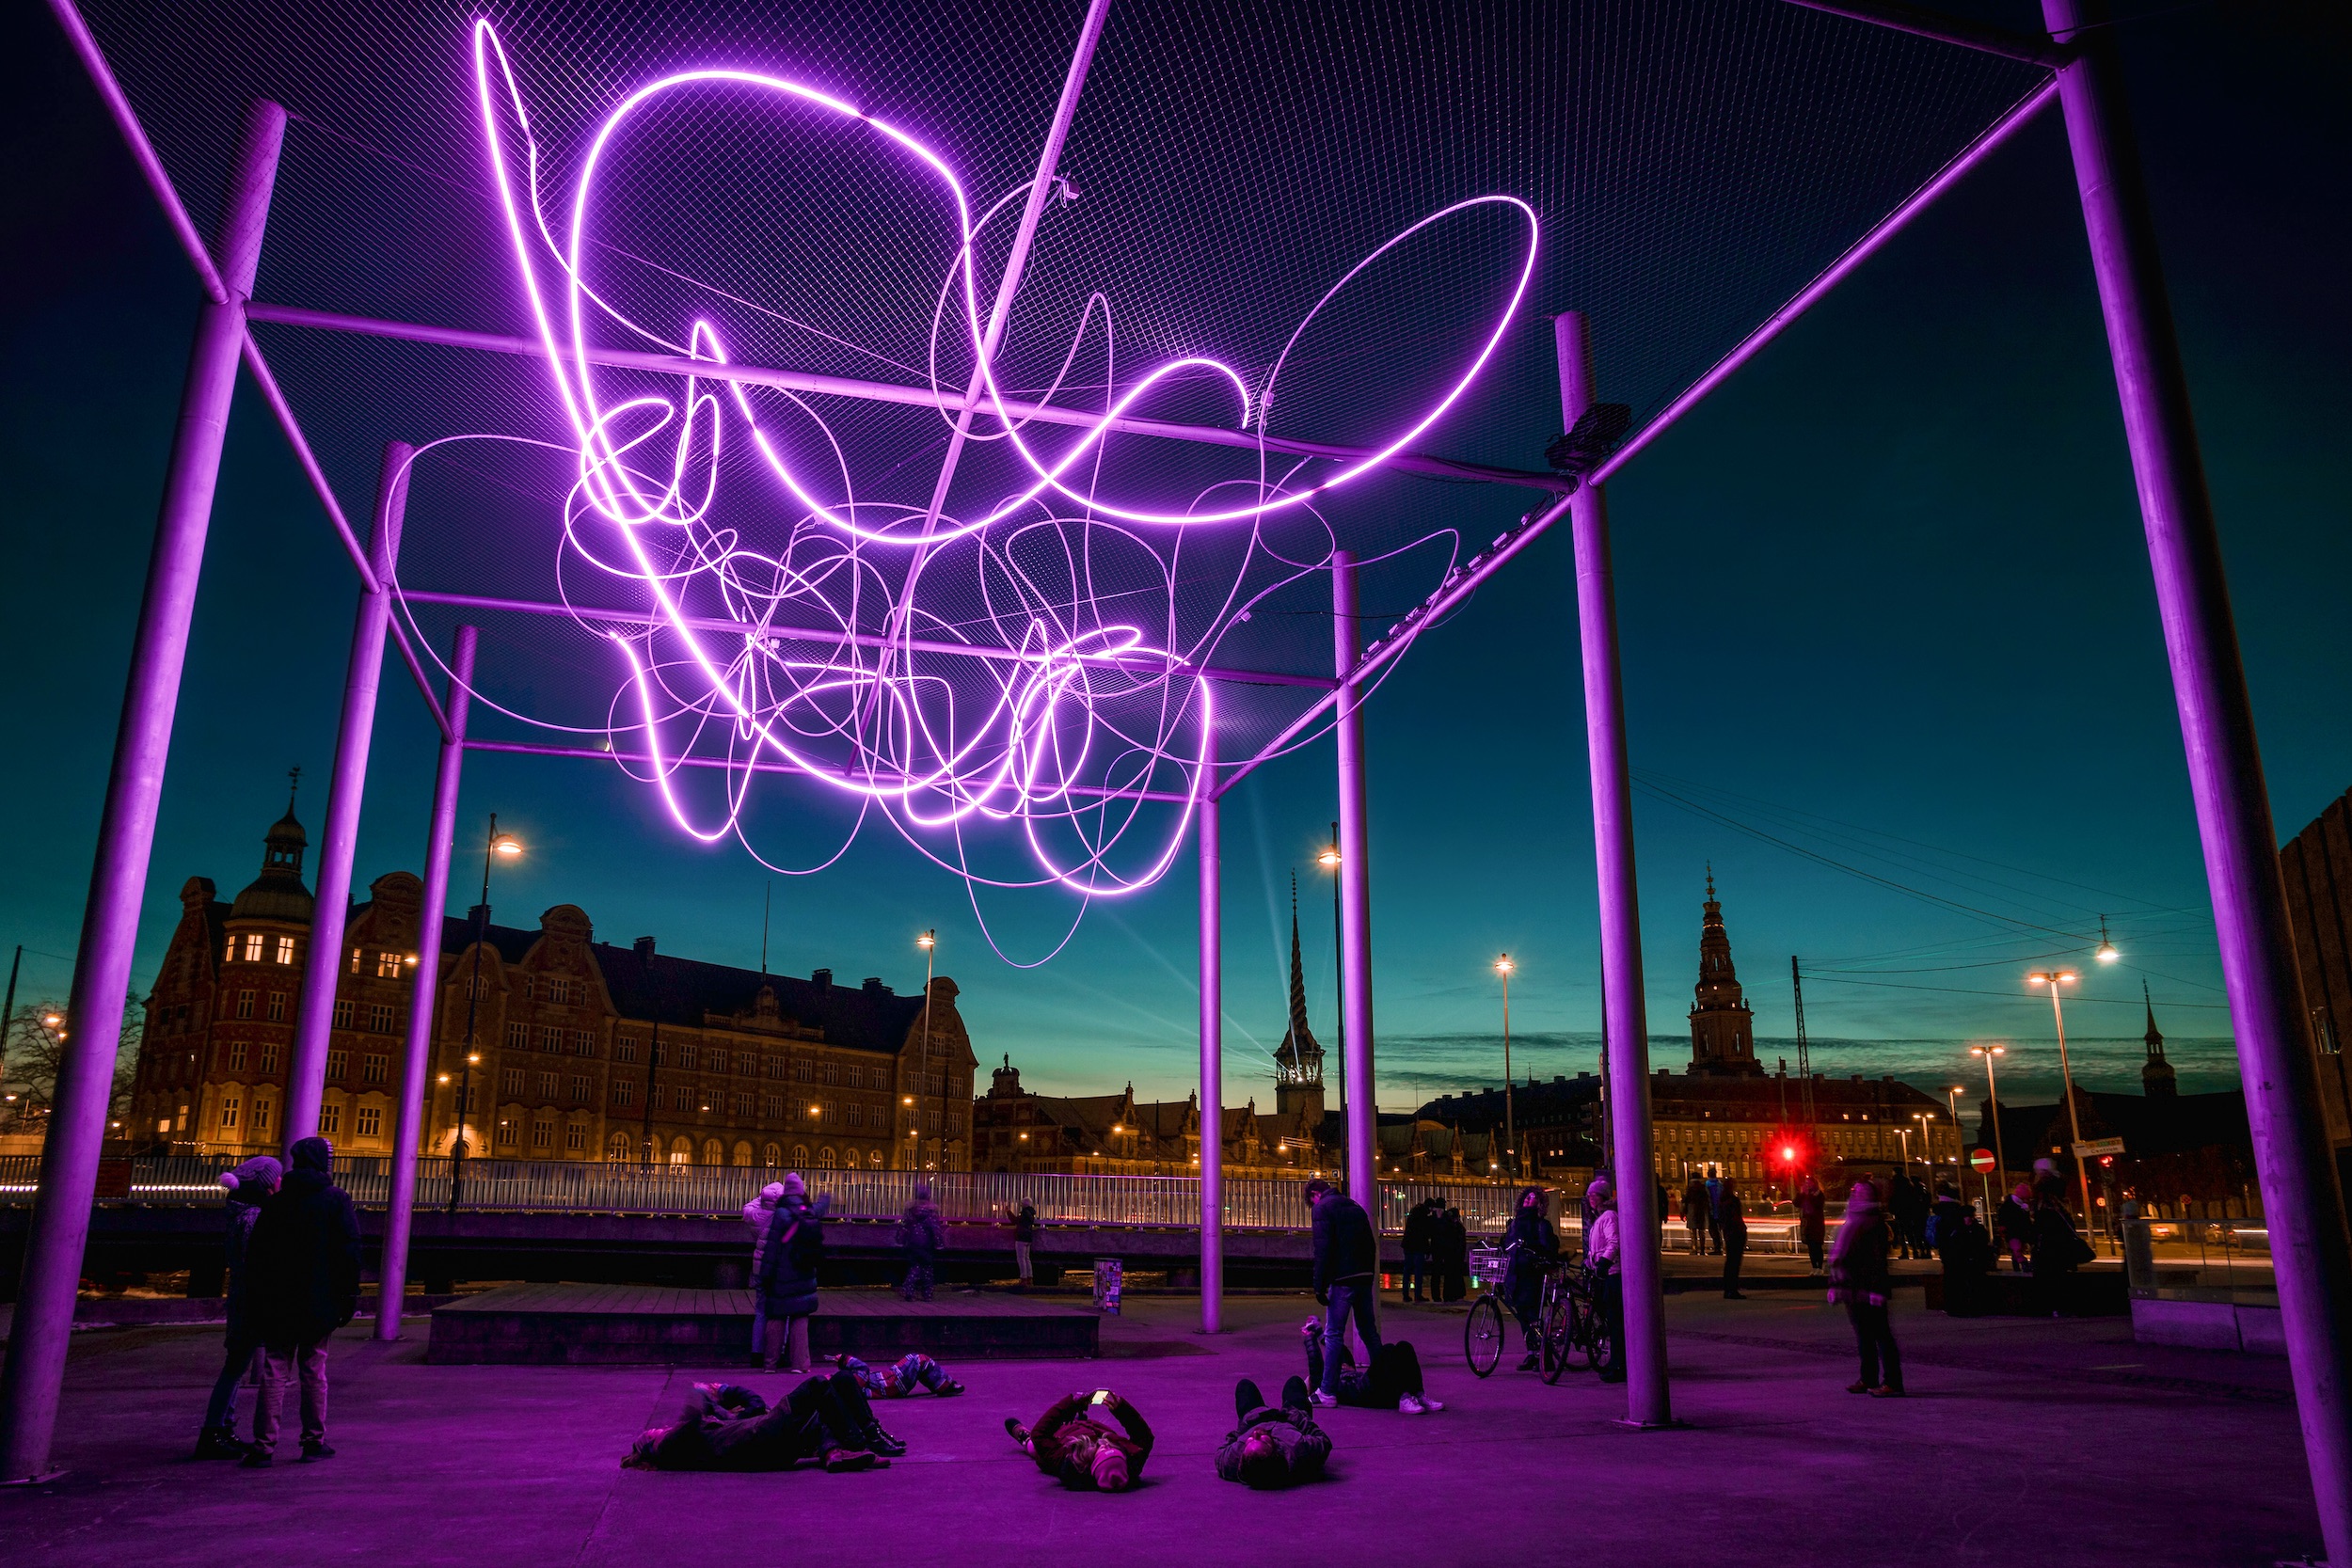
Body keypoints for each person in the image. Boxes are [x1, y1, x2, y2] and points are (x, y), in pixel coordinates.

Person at [241, 1135, 360, 1465]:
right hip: (319, 1301)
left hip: (279, 1301)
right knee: (314, 1369)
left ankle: (263, 1445)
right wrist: (348, 1296)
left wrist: (258, 1298)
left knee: (274, 1370)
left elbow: (259, 1256)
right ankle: (313, 1440)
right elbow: (349, 1252)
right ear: (324, 1164)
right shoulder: (336, 1200)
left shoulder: (276, 1203)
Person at [195, 1154, 280, 1459]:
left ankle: (222, 1428)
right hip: (250, 1301)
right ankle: (214, 1430)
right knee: (234, 1367)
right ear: (266, 1185)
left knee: (237, 1365)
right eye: (277, 1178)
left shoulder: (242, 1213)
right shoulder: (253, 1218)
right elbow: (257, 1262)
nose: (281, 1182)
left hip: (244, 1297)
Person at [625, 1376, 891, 1472]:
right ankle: (861, 1446)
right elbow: (694, 1408)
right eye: (653, 1433)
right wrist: (703, 1390)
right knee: (817, 1385)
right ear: (653, 1446)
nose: (660, 1428)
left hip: (766, 1450)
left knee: (829, 1401)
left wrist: (725, 1393)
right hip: (761, 1435)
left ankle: (834, 1453)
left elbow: (751, 1406)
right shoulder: (671, 1448)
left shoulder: (700, 1441)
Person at [1306, 1180, 1382, 1403]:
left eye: (1311, 1200)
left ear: (1315, 1194)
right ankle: (1385, 1377)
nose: (1312, 1205)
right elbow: (1370, 1243)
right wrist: (1368, 1274)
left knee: (1334, 1333)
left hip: (1342, 1279)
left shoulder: (1322, 1208)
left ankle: (1327, 1391)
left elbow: (1322, 1249)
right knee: (1369, 1331)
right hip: (1363, 1277)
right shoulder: (1355, 1206)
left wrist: (1319, 1285)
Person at [1828, 1176, 1901, 1397]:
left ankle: (1893, 1383)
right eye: (1856, 1190)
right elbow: (1840, 1254)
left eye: (1863, 1192)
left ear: (1872, 1196)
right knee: (1863, 1335)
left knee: (1881, 1335)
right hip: (1852, 1285)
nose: (1857, 1194)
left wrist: (1876, 1290)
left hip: (1869, 1287)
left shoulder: (1874, 1221)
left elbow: (1878, 1260)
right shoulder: (1852, 1217)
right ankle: (1868, 1378)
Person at [1006, 1388, 1154, 1491]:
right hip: (1089, 1427)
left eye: (1103, 1449)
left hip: (1061, 1436)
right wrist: (1122, 1409)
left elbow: (1040, 1434)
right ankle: (1078, 1419)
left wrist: (1072, 1404)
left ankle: (1025, 1438)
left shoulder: (1067, 1460)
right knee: (1079, 1422)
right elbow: (1144, 1436)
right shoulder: (1130, 1463)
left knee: (1036, 1446)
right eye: (1113, 1448)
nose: (1106, 1445)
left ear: (1091, 1460)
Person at [759, 1173, 829, 1372]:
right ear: (801, 1191)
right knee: (800, 1318)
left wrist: (765, 1274)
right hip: (805, 1273)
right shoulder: (808, 1210)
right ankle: (800, 1364)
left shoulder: (780, 1214)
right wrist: (826, 1197)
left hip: (782, 1274)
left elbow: (772, 1247)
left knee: (776, 1317)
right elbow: (821, 1208)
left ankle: (770, 1364)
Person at [1301, 1318, 1441, 1413]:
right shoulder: (1325, 1384)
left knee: (1404, 1347)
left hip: (1369, 1384)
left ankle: (1419, 1394)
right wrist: (1309, 1337)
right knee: (1387, 1351)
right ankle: (1403, 1397)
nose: (1342, 1366)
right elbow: (1314, 1361)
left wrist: (1318, 1332)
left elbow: (1338, 1349)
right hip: (1366, 1392)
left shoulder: (1339, 1369)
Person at [1216, 1376, 1332, 1488]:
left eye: (1250, 1441)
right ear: (1275, 1450)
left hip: (1255, 1418)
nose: (1256, 1434)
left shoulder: (1233, 1458)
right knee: (1294, 1383)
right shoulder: (1300, 1448)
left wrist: (1242, 1430)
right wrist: (1301, 1419)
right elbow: (1323, 1440)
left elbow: (1221, 1453)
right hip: (1292, 1419)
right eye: (1263, 1441)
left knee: (1245, 1386)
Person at [1500, 1186, 1559, 1371]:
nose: (1528, 1200)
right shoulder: (1515, 1223)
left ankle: (1544, 1354)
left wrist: (1535, 1254)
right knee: (1523, 1315)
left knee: (1533, 1316)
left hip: (1532, 1274)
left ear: (1539, 1203)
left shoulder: (1541, 1224)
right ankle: (1532, 1353)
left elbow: (1547, 1246)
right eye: (1526, 1197)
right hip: (1516, 1273)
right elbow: (1508, 1244)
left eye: (1532, 1197)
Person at [2030, 1174, 2092, 1316]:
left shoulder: (2045, 1211)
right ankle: (2062, 1308)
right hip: (2061, 1253)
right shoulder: (2060, 1210)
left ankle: (2053, 1309)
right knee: (2061, 1280)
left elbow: (2037, 1232)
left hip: (2049, 1254)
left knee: (2051, 1283)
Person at [1584, 1176, 1626, 1384]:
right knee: (1612, 1320)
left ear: (1603, 1196)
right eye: (1589, 1195)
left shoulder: (1608, 1216)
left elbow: (1614, 1241)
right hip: (1605, 1273)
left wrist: (1604, 1262)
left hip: (1613, 1274)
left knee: (1616, 1321)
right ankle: (1616, 1361)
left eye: (1595, 1194)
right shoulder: (1599, 1217)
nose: (1591, 1198)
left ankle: (1619, 1364)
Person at [1932, 1182, 1994, 1317]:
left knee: (1951, 1280)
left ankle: (1952, 1306)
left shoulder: (1940, 1213)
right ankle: (1963, 1306)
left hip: (1949, 1253)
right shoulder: (1956, 1214)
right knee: (1961, 1281)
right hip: (1959, 1255)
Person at [744, 1179, 785, 1365]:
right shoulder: (784, 1217)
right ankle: (780, 1352)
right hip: (777, 1269)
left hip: (759, 1268)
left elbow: (749, 1205)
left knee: (760, 1310)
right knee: (781, 1311)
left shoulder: (753, 1215)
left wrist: (762, 1199)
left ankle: (756, 1353)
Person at [833, 1351, 965, 1400]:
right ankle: (945, 1386)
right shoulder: (848, 1387)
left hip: (888, 1380)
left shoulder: (841, 1387)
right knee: (919, 1359)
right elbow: (862, 1370)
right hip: (890, 1384)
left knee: (919, 1364)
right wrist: (845, 1359)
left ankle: (940, 1385)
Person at [897, 1180, 946, 1302]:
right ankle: (927, 1294)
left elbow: (904, 1226)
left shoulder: (911, 1211)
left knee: (915, 1266)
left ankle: (908, 1290)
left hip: (912, 1242)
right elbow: (935, 1228)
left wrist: (902, 1240)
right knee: (927, 1268)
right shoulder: (931, 1212)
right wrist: (939, 1243)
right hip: (926, 1243)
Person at [1718, 1177, 1749, 1298]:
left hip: (1728, 1231)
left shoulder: (1722, 1200)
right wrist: (1743, 1229)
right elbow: (1737, 1217)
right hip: (1736, 1232)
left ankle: (1728, 1289)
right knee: (1735, 1262)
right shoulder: (1733, 1200)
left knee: (1730, 1261)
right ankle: (1733, 1289)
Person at [1400, 1198, 1435, 1304]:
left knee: (1407, 1271)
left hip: (1408, 1245)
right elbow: (1425, 1234)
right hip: (1417, 1247)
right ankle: (1417, 1295)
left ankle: (1406, 1294)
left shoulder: (1414, 1212)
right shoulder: (1423, 1216)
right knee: (1418, 1271)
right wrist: (1428, 1250)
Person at [1997, 1179, 2036, 1273]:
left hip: (2016, 1231)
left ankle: (2017, 1266)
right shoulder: (2018, 1206)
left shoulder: (2013, 1204)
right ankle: (2024, 1264)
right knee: (2017, 1249)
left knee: (2017, 1250)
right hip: (2013, 1231)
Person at [1794, 1175, 1828, 1275]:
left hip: (1816, 1224)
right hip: (1807, 1224)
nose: (1807, 1185)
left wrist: (1808, 1195)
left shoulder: (1818, 1194)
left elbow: (1817, 1205)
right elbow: (1796, 1203)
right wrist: (1801, 1193)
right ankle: (1814, 1267)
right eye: (1806, 1183)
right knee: (1811, 1247)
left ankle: (1820, 1267)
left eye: (1809, 1183)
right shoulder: (1805, 1194)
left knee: (1817, 1246)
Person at [1436, 1207, 1470, 1303]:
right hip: (1456, 1255)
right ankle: (1457, 1295)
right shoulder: (1458, 1228)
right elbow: (1461, 1243)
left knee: (1449, 1276)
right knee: (1457, 1275)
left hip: (1449, 1255)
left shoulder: (1447, 1226)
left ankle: (1449, 1296)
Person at [1005, 1198, 1037, 1291]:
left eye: (1022, 1203)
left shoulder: (1024, 1213)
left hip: (1021, 1238)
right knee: (1027, 1258)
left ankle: (1023, 1279)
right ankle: (1029, 1278)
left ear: (1024, 1204)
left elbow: (1015, 1221)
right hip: (1028, 1237)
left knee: (1021, 1259)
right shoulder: (1031, 1213)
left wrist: (1008, 1212)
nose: (1021, 1205)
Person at [1704, 1167, 1724, 1255]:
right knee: (1719, 1230)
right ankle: (1720, 1247)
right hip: (1720, 1210)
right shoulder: (1720, 1184)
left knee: (1713, 1230)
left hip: (1711, 1210)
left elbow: (1706, 1197)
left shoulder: (1707, 1184)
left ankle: (1717, 1248)